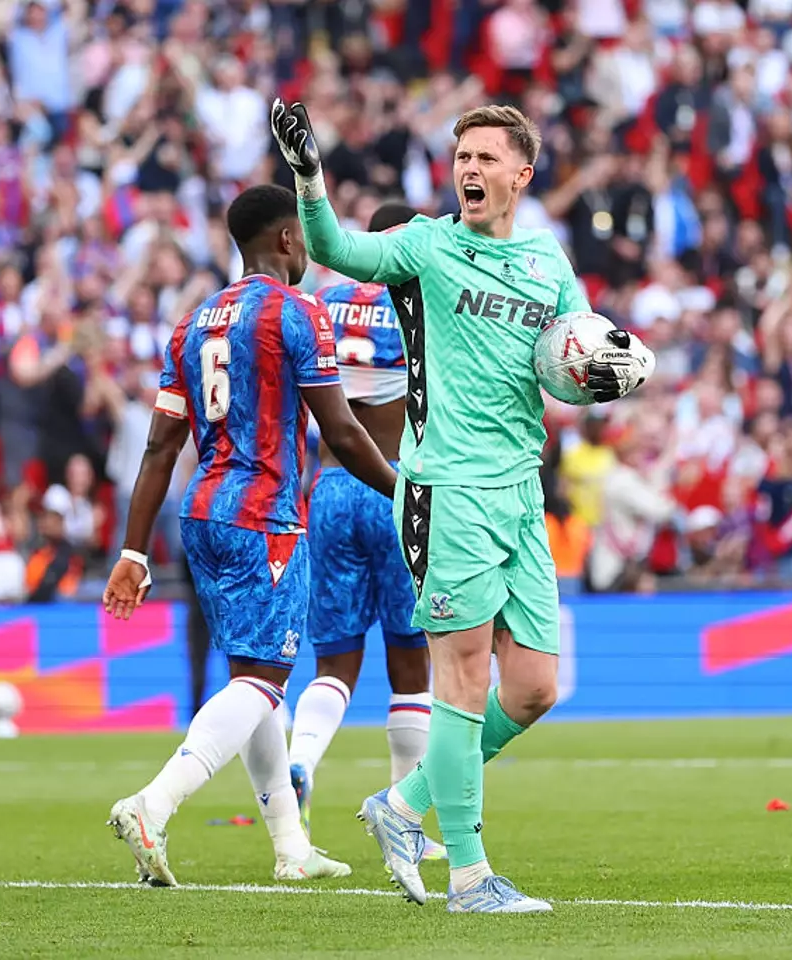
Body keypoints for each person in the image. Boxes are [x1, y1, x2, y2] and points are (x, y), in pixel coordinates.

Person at [272, 99, 651, 912]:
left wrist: (600, 379)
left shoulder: (551, 262)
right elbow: (336, 248)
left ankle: (404, 804)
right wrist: (310, 180)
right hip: (446, 488)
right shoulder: (429, 246)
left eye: (486, 158)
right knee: (464, 679)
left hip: (519, 491)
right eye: (462, 157)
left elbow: (568, 366)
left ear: (523, 173)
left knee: (535, 689)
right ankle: (471, 877)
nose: (469, 170)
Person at [101, 184, 399, 887]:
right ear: (290, 240)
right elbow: (346, 434)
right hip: (264, 515)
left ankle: (290, 845)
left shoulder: (193, 320)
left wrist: (133, 551)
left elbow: (157, 449)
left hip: (200, 513)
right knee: (266, 680)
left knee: (253, 676)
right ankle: (154, 802)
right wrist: (409, 493)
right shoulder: (296, 313)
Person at [285, 201, 445, 860]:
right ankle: (403, 818)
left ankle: (301, 763)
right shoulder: (419, 298)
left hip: (331, 489)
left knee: (335, 664)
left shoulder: (325, 298)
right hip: (396, 485)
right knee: (411, 665)